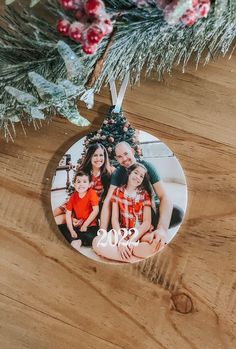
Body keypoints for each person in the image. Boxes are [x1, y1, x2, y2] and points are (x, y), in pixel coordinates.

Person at [95, 141, 183, 260]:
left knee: (177, 213)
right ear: (116, 158)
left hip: (147, 211)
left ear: (132, 151)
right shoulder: (118, 173)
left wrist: (162, 229)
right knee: (106, 232)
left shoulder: (147, 167)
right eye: (120, 157)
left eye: (126, 154)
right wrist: (102, 231)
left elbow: (164, 197)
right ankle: (130, 249)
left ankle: (151, 236)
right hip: (124, 213)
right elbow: (108, 202)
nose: (124, 159)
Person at [93, 163, 163, 262]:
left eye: (141, 176)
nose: (138, 177)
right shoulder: (117, 192)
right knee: (97, 241)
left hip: (140, 233)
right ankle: (133, 258)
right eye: (136, 173)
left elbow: (147, 222)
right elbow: (115, 219)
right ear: (129, 173)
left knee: (156, 243)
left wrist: (132, 240)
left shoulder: (144, 195)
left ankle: (126, 253)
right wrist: (121, 241)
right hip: (123, 232)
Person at [53, 143, 114, 225]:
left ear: (104, 157)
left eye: (101, 155)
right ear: (90, 157)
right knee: (55, 213)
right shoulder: (84, 171)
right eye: (95, 155)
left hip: (88, 207)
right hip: (77, 200)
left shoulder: (108, 173)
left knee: (60, 219)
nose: (98, 158)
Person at [63, 171, 99, 251]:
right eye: (78, 182)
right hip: (78, 225)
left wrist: (85, 224)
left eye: (84, 182)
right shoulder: (73, 196)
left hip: (90, 226)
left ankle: (79, 240)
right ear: (75, 184)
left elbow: (96, 210)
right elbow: (68, 214)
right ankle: (75, 239)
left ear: (89, 184)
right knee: (61, 228)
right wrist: (71, 230)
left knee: (92, 237)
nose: (81, 184)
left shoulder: (91, 193)